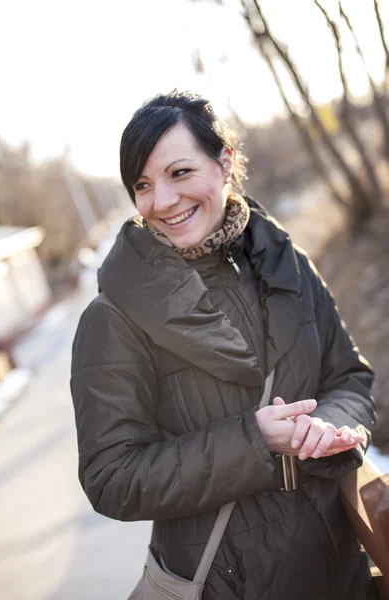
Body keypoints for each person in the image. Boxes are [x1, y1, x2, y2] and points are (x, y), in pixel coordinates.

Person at [70, 90, 376, 599]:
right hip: (225, 584)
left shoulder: (288, 265)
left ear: (224, 162)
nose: (161, 201)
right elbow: (111, 476)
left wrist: (332, 427)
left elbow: (350, 378)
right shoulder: (113, 318)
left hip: (340, 568)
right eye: (142, 184)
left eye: (179, 172)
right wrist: (253, 442)